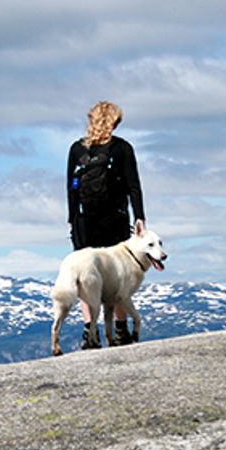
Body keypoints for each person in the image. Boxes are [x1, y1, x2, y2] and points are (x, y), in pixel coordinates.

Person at [66, 100, 145, 349]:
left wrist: (72, 221)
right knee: (118, 275)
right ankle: (120, 330)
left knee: (85, 276)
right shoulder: (122, 148)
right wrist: (139, 217)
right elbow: (134, 186)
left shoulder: (77, 149)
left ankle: (91, 332)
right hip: (114, 219)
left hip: (83, 222)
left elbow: (71, 189)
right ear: (115, 121)